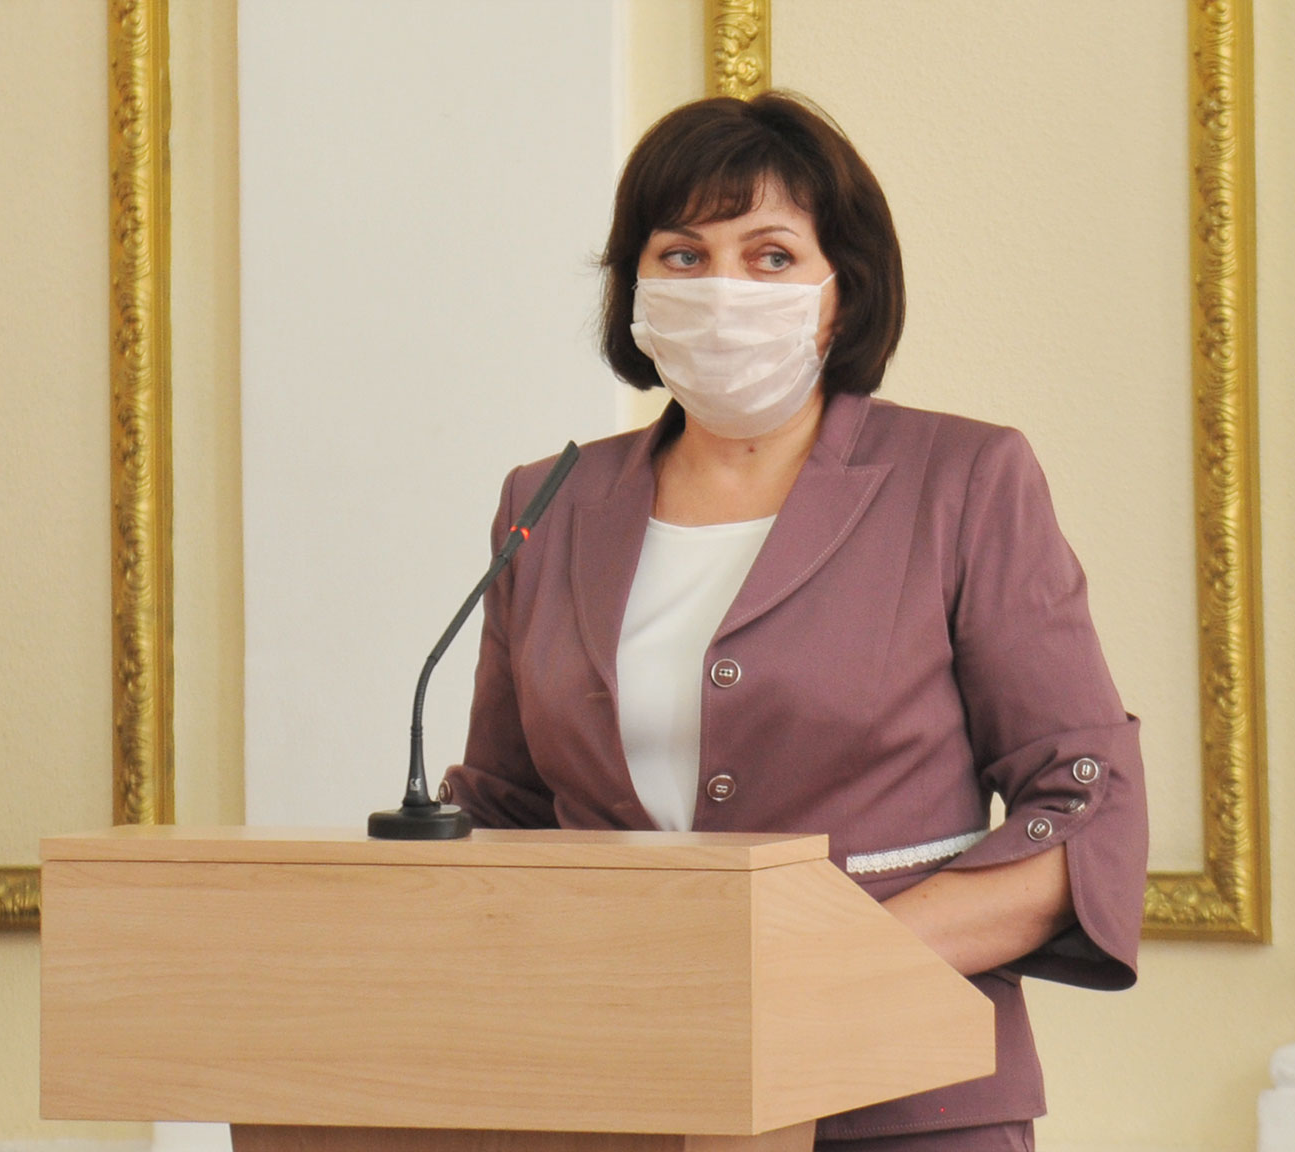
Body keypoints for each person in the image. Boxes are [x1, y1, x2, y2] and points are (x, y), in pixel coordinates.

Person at [442, 92, 1148, 1152]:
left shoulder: (962, 479)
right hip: (614, 1092)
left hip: (902, 1096)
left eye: (770, 256)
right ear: (635, 289)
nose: (722, 289)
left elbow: (1085, 810)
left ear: (842, 293)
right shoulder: (546, 502)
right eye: (683, 256)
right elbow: (503, 811)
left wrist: (812, 970)